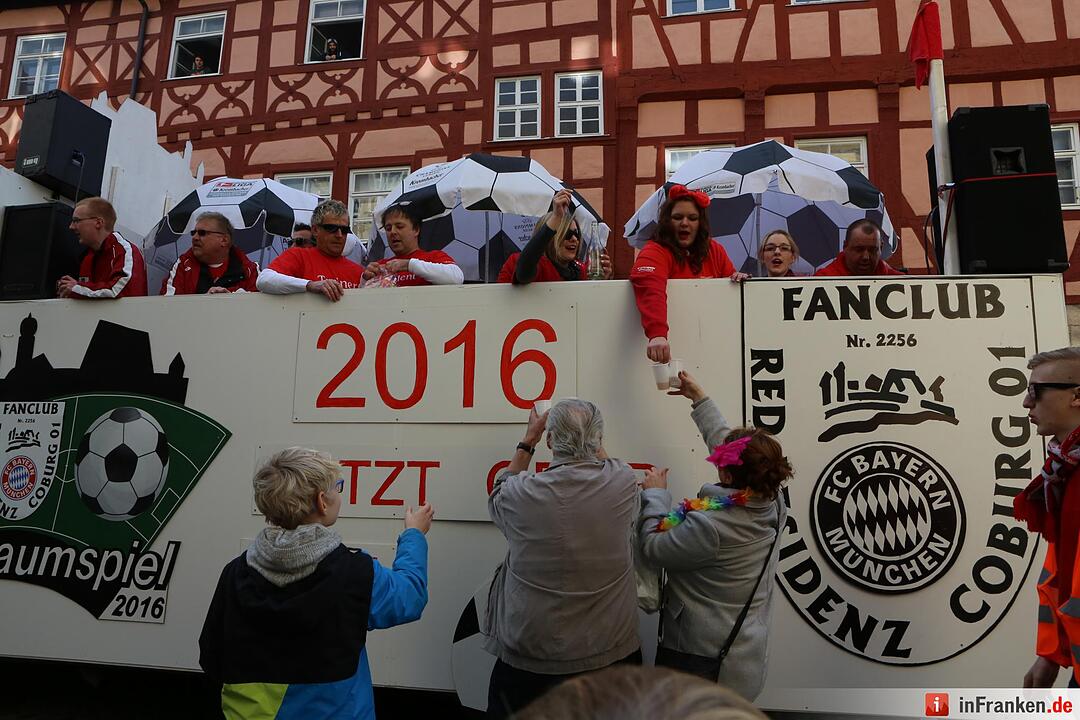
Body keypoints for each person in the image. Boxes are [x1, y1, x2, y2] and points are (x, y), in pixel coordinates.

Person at [199, 447, 432, 720]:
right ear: (322, 501)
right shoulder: (354, 571)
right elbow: (409, 596)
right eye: (338, 487)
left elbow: (211, 655)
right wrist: (414, 534)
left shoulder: (235, 572)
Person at [638, 370, 791, 701]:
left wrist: (655, 496)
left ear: (725, 472)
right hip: (744, 659)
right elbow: (735, 452)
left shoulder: (710, 525)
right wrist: (699, 398)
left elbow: (652, 546)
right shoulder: (773, 501)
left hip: (700, 668)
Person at [485, 400, 640, 718]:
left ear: (551, 441)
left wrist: (528, 440)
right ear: (598, 441)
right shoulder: (622, 483)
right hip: (608, 654)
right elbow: (607, 464)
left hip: (530, 656)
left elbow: (498, 491)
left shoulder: (519, 493)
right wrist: (589, 439)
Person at [1013, 347, 1080, 688]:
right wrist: (1050, 655)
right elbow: (1060, 568)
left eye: (1035, 391)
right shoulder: (1063, 470)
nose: (1027, 403)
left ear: (1077, 396)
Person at [630, 185, 748, 364]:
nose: (685, 223)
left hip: (712, 348)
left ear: (700, 223)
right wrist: (657, 334)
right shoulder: (654, 251)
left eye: (692, 218)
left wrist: (737, 280)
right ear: (667, 221)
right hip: (670, 351)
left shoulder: (714, 250)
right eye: (678, 217)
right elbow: (650, 288)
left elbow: (729, 293)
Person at [516, 665, 767, 720]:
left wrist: (650, 526)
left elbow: (655, 548)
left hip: (702, 650)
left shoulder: (710, 529)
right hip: (745, 652)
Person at [257, 199, 364, 301]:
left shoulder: (358, 272)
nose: (339, 235)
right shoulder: (298, 256)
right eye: (332, 228)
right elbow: (264, 280)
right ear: (315, 230)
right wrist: (309, 285)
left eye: (345, 230)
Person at [497, 189, 612, 283]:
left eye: (577, 234)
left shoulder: (580, 270)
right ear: (549, 237)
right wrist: (556, 217)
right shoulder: (527, 262)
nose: (574, 239)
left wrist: (599, 283)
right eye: (567, 234)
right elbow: (524, 270)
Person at [58, 196, 147, 299]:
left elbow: (118, 291)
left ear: (98, 223)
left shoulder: (125, 251)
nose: (71, 226)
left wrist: (76, 288)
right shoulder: (88, 257)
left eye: (76, 220)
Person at [363, 203, 463, 286]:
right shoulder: (380, 265)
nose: (392, 232)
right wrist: (365, 279)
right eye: (388, 228)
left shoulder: (433, 257)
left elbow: (457, 277)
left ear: (416, 230)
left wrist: (409, 265)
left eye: (399, 226)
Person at [160, 212, 258, 295]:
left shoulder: (250, 270)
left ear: (224, 240)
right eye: (193, 232)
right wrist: (205, 303)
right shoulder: (183, 265)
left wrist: (230, 298)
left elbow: (259, 308)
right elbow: (168, 306)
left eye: (202, 233)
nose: (195, 237)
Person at [813, 218, 902, 277]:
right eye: (859, 250)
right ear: (845, 246)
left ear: (881, 248)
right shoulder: (822, 281)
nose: (866, 257)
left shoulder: (900, 283)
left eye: (872, 250)